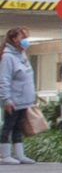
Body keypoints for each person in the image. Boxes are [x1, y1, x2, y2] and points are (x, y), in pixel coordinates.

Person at [0, 30, 33, 164]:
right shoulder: (8, 57)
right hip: (13, 99)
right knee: (9, 125)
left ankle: (19, 154)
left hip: (24, 99)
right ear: (14, 39)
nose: (26, 39)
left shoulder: (22, 55)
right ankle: (5, 155)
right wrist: (6, 99)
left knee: (19, 126)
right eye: (22, 37)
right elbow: (4, 79)